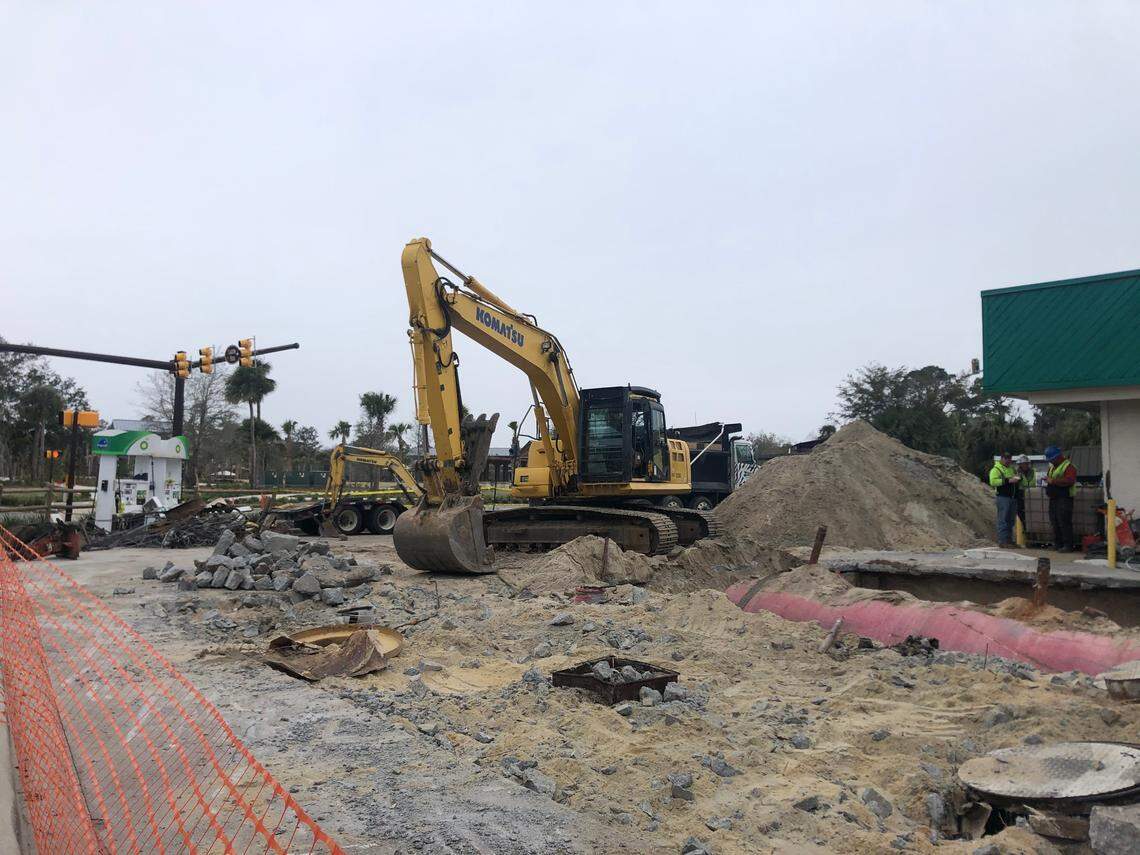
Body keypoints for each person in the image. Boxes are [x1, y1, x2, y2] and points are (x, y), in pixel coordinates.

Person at [1044, 445, 1077, 552]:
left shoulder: (1069, 466)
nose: (1051, 462)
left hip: (1064, 499)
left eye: (1052, 459)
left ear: (1058, 457)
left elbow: (1069, 480)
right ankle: (1058, 544)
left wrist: (1053, 481)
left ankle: (1068, 545)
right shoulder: (1052, 467)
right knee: (1055, 522)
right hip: (1054, 498)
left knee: (1064, 522)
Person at [988, 451, 1022, 548]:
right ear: (1001, 459)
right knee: (1003, 520)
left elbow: (1015, 478)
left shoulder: (1011, 469)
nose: (1008, 461)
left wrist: (1018, 478)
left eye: (1009, 459)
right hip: (1003, 497)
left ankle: (1009, 541)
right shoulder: (996, 469)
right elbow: (993, 481)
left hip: (1012, 497)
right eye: (1006, 458)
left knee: (1010, 521)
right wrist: (1008, 480)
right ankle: (1003, 541)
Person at [1015, 454, 1035, 530]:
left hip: (1033, 495)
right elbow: (1014, 481)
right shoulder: (1017, 473)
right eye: (1023, 464)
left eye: (1026, 463)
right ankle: (1025, 530)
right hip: (1021, 496)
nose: (1025, 465)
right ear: (1019, 464)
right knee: (1022, 514)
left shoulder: (1034, 471)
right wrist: (1017, 478)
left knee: (1033, 513)